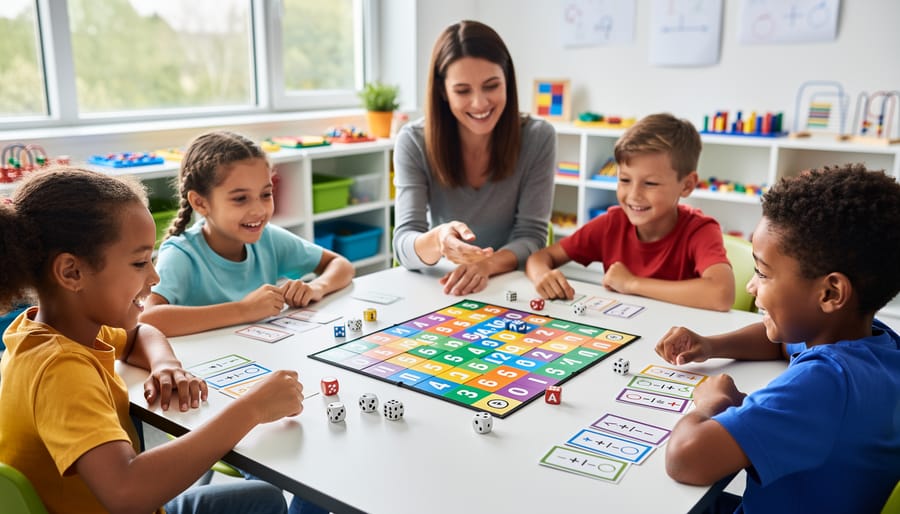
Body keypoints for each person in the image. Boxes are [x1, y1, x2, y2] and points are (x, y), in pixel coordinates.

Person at [0, 167, 306, 514]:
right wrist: (253, 408)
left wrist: (166, 366)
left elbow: (139, 334)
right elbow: (127, 492)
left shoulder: (45, 333)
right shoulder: (62, 370)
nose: (154, 276)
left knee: (262, 497)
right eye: (139, 262)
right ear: (72, 272)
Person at [656, 164, 900, 514]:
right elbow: (780, 342)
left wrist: (709, 405)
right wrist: (712, 345)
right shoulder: (877, 344)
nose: (751, 286)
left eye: (763, 273)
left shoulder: (826, 381)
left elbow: (685, 458)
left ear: (831, 293)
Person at [392, 20, 556, 296]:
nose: (480, 103)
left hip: (508, 283)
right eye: (463, 90)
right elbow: (403, 243)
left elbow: (532, 236)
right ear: (443, 91)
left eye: (491, 86)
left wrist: (486, 265)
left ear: (507, 81)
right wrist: (439, 240)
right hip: (443, 283)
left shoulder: (538, 137)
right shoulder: (413, 141)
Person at [140, 131, 354, 336]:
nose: (259, 210)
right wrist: (243, 310)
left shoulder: (269, 239)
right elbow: (148, 318)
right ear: (200, 202)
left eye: (266, 194)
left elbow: (341, 265)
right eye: (240, 198)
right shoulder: (181, 255)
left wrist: (317, 287)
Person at [526, 112, 734, 311]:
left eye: (650, 183)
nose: (634, 194)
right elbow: (539, 258)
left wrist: (632, 284)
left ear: (687, 185)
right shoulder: (611, 224)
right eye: (624, 180)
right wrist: (542, 275)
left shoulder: (700, 230)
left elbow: (722, 294)